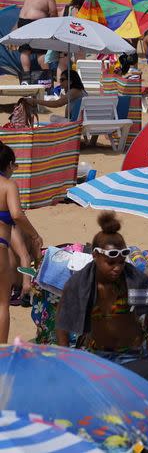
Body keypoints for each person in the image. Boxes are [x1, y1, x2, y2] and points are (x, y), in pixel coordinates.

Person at [56, 212, 148, 363]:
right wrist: (66, 357)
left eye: (121, 262)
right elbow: (63, 319)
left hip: (132, 354)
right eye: (111, 263)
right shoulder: (81, 283)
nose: (117, 268)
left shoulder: (134, 280)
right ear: (95, 255)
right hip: (97, 355)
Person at [0, 143, 42, 343]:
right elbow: (17, 214)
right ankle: (1, 353)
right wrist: (34, 234)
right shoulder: (8, 185)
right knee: (2, 305)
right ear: (8, 165)